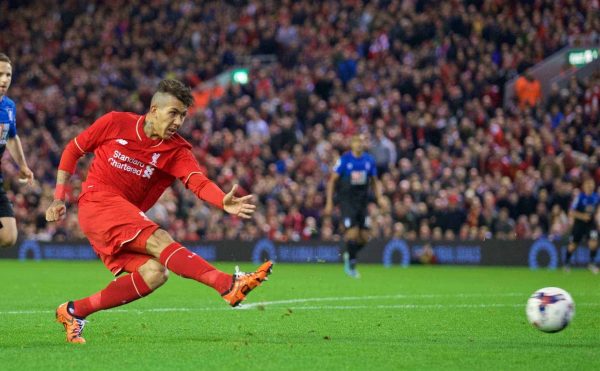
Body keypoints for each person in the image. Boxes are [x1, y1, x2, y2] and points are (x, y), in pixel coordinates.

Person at [45, 79, 273, 344]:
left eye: (183, 116)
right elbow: (73, 150)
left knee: (155, 273)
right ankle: (227, 285)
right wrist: (58, 198)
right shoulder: (116, 122)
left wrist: (222, 200)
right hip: (97, 202)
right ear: (154, 110)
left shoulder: (176, 150)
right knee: (160, 239)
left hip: (122, 217)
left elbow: (197, 181)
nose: (178, 122)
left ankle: (74, 311)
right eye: (173, 113)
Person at [325, 134, 383, 278]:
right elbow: (332, 181)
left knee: (365, 237)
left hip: (362, 203)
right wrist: (329, 202)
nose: (359, 144)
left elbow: (375, 181)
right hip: (347, 202)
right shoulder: (345, 160)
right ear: (351, 144)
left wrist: (380, 197)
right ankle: (351, 265)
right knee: (352, 233)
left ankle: (349, 255)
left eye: (362, 142)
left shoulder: (369, 160)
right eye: (356, 141)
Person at [0, 53, 34, 247]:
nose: (4, 80)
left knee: (8, 235)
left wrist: (22, 165)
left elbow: (11, 137)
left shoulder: (8, 107)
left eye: (8, 75)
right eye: (0, 74)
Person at [565, 178, 600, 274]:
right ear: (584, 186)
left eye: (592, 184)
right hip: (579, 224)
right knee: (573, 246)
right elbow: (571, 212)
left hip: (590, 224)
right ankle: (567, 263)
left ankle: (592, 263)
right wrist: (582, 216)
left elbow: (598, 209)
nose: (590, 186)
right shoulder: (580, 197)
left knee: (594, 242)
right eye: (588, 184)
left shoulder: (596, 197)